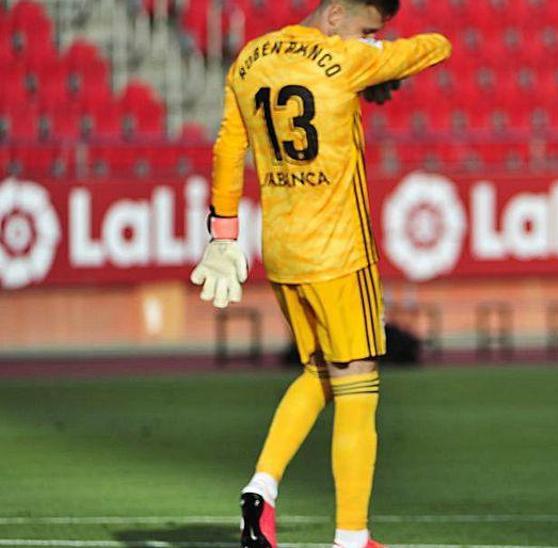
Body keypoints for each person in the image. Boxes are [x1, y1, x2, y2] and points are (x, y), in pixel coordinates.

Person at [187, 1, 450, 545]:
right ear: (334, 17)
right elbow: (435, 46)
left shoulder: (250, 59)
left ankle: (260, 488)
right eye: (369, 29)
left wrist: (223, 233)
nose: (371, 39)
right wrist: (382, 59)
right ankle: (352, 538)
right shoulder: (346, 59)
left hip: (282, 250)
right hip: (339, 250)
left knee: (318, 372)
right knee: (359, 389)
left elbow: (228, 149)